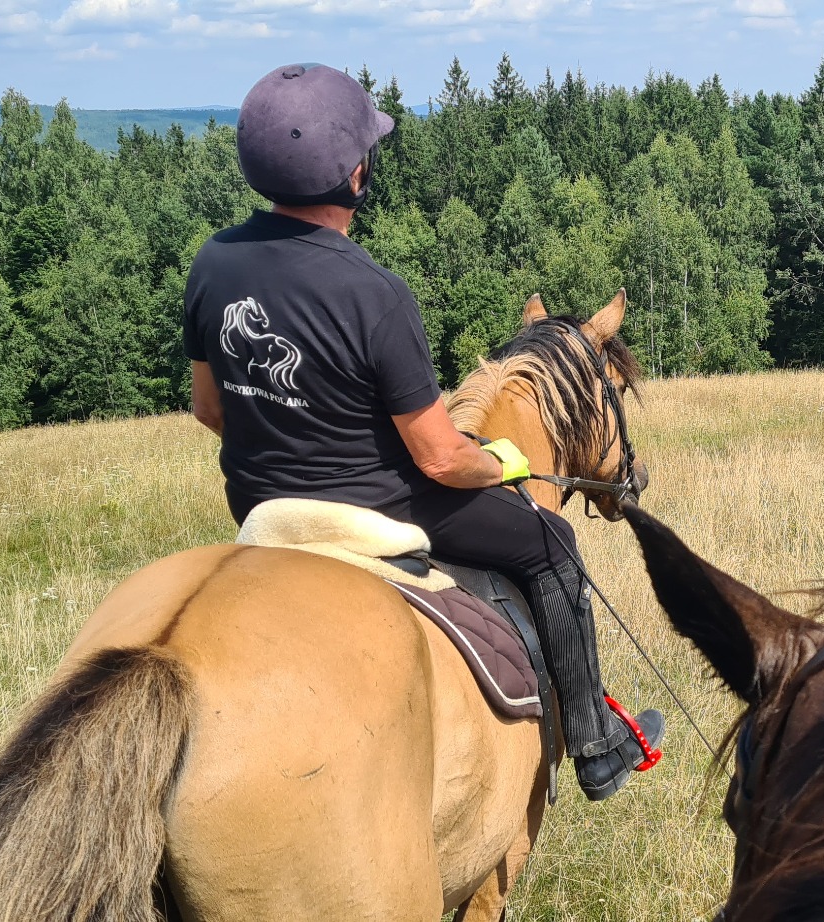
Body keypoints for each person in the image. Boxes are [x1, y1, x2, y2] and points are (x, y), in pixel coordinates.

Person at [181, 63, 662, 801]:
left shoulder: (213, 264)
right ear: (356, 173)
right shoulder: (375, 293)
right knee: (553, 542)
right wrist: (501, 461)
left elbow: (210, 409)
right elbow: (439, 459)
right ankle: (596, 746)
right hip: (380, 506)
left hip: (259, 505)